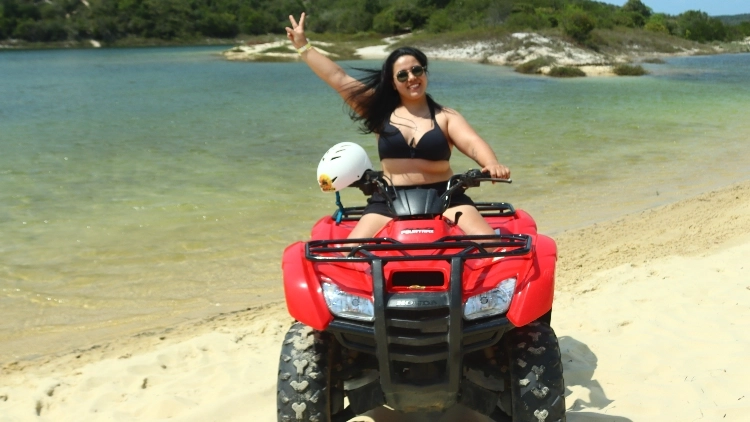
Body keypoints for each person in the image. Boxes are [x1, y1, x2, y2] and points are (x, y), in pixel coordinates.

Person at [286, 13, 511, 240]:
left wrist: (491, 163)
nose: (411, 78)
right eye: (402, 75)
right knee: (350, 252)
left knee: (490, 244)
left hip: (446, 196)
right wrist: (303, 46)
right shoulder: (379, 111)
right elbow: (339, 78)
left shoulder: (446, 116)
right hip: (388, 200)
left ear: (425, 72)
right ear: (393, 83)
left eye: (417, 70)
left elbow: (472, 143)